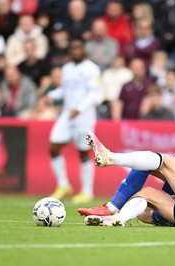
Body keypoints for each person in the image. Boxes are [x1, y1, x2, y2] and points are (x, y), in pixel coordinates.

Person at [47, 39, 101, 204]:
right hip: (67, 114)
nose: (76, 51)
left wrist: (80, 108)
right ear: (70, 51)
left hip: (84, 116)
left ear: (83, 50)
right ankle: (63, 185)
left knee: (83, 152)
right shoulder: (67, 68)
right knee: (53, 146)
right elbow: (65, 90)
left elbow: (94, 93)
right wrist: (50, 96)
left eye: (79, 48)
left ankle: (87, 192)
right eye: (73, 48)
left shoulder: (92, 68)